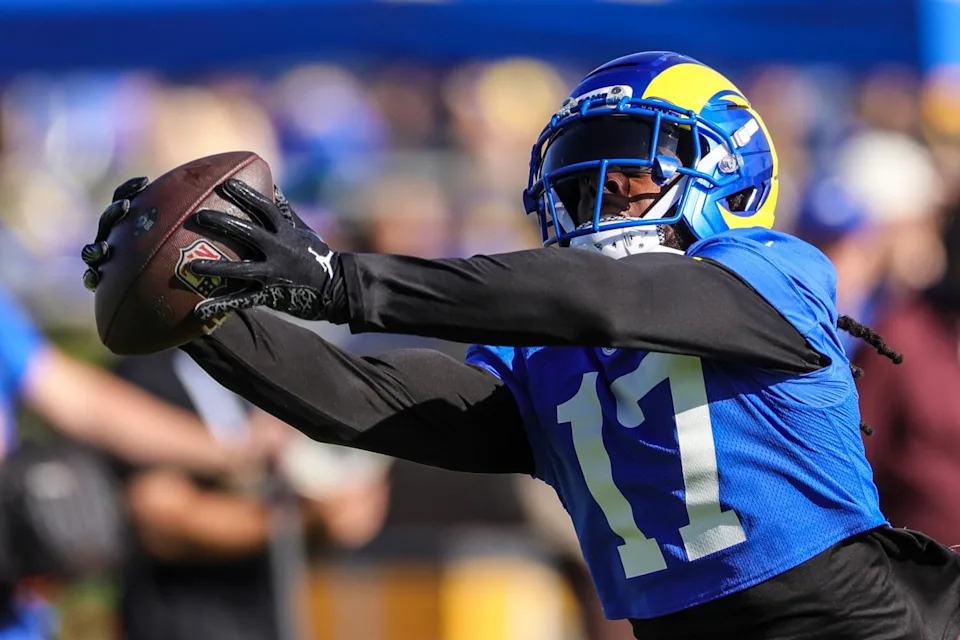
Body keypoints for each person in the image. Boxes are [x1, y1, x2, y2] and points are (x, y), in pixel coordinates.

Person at [82, 51, 960, 640]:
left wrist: (341, 279)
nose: (601, 200)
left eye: (631, 173)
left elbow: (610, 301)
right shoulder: (554, 356)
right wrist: (206, 307)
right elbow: (369, 401)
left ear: (728, 172)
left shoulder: (771, 275)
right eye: (584, 180)